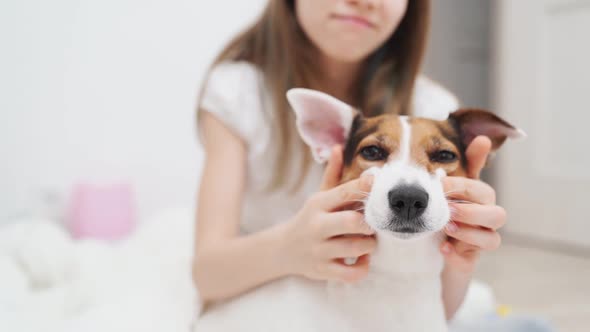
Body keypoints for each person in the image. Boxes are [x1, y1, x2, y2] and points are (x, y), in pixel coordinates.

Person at [193, 0, 506, 321]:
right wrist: (290, 246)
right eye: (373, 152)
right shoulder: (238, 92)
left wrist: (462, 256)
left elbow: (440, 310)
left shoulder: (434, 105)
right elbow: (205, 276)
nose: (364, 1)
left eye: (440, 155)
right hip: (255, 284)